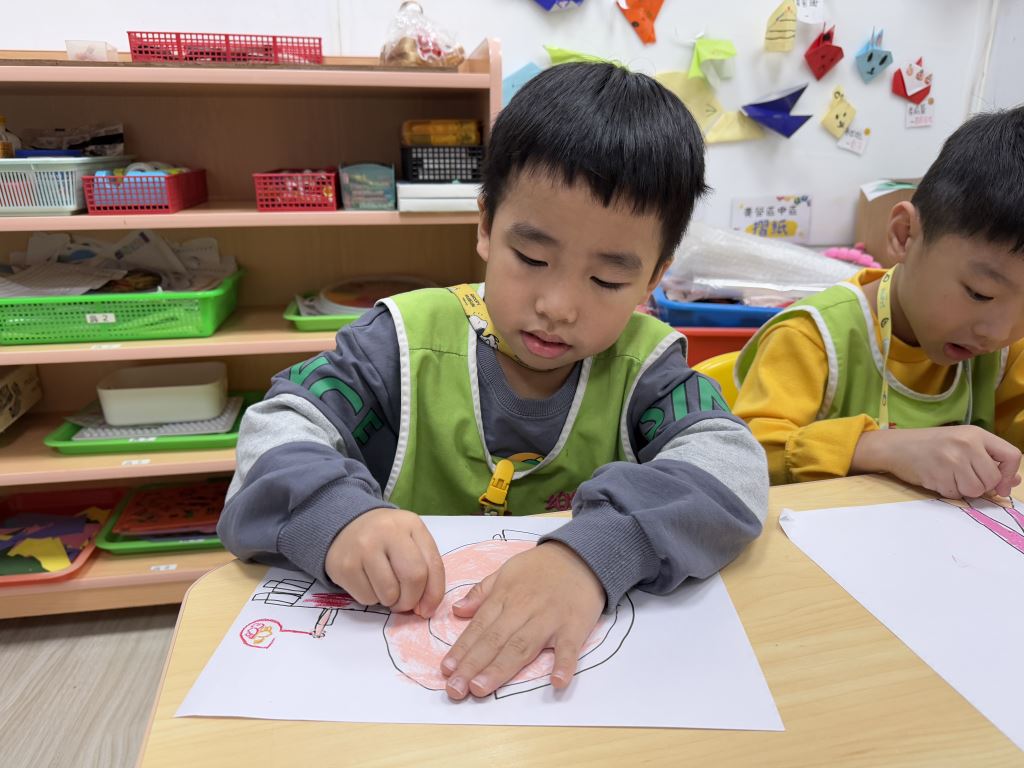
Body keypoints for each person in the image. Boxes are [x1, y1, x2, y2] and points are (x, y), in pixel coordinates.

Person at [218, 62, 768, 701]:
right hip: (391, 675)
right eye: (531, 258)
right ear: (484, 225)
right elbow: (275, 429)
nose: (558, 306)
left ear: (653, 277)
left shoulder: (646, 369)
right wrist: (335, 515)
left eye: (608, 280)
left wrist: (597, 552)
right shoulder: (398, 345)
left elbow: (733, 465)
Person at [733, 106, 1024, 500]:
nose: (1000, 332)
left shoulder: (1008, 352)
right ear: (904, 235)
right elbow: (747, 456)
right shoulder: (813, 338)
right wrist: (880, 448)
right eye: (980, 293)